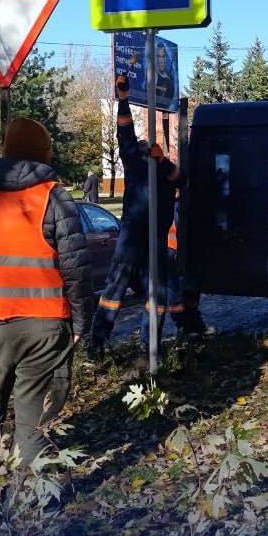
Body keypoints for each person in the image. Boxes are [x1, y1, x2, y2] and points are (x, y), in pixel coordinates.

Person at [0, 117, 93, 506]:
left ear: (6, 149)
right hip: (43, 328)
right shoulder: (53, 197)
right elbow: (76, 267)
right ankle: (32, 504)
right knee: (33, 422)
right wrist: (80, 321)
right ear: (44, 153)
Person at [85, 75, 184, 356]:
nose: (144, 150)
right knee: (115, 289)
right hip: (132, 236)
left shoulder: (163, 170)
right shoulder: (135, 166)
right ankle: (98, 343)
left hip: (156, 237)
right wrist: (123, 101)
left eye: (147, 149)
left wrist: (163, 161)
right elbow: (124, 135)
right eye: (142, 149)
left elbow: (182, 179)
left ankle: (149, 345)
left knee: (158, 294)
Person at [166, 191, 214, 339]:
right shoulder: (172, 203)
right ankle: (186, 325)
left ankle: (190, 324)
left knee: (189, 287)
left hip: (179, 248)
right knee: (177, 288)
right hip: (173, 250)